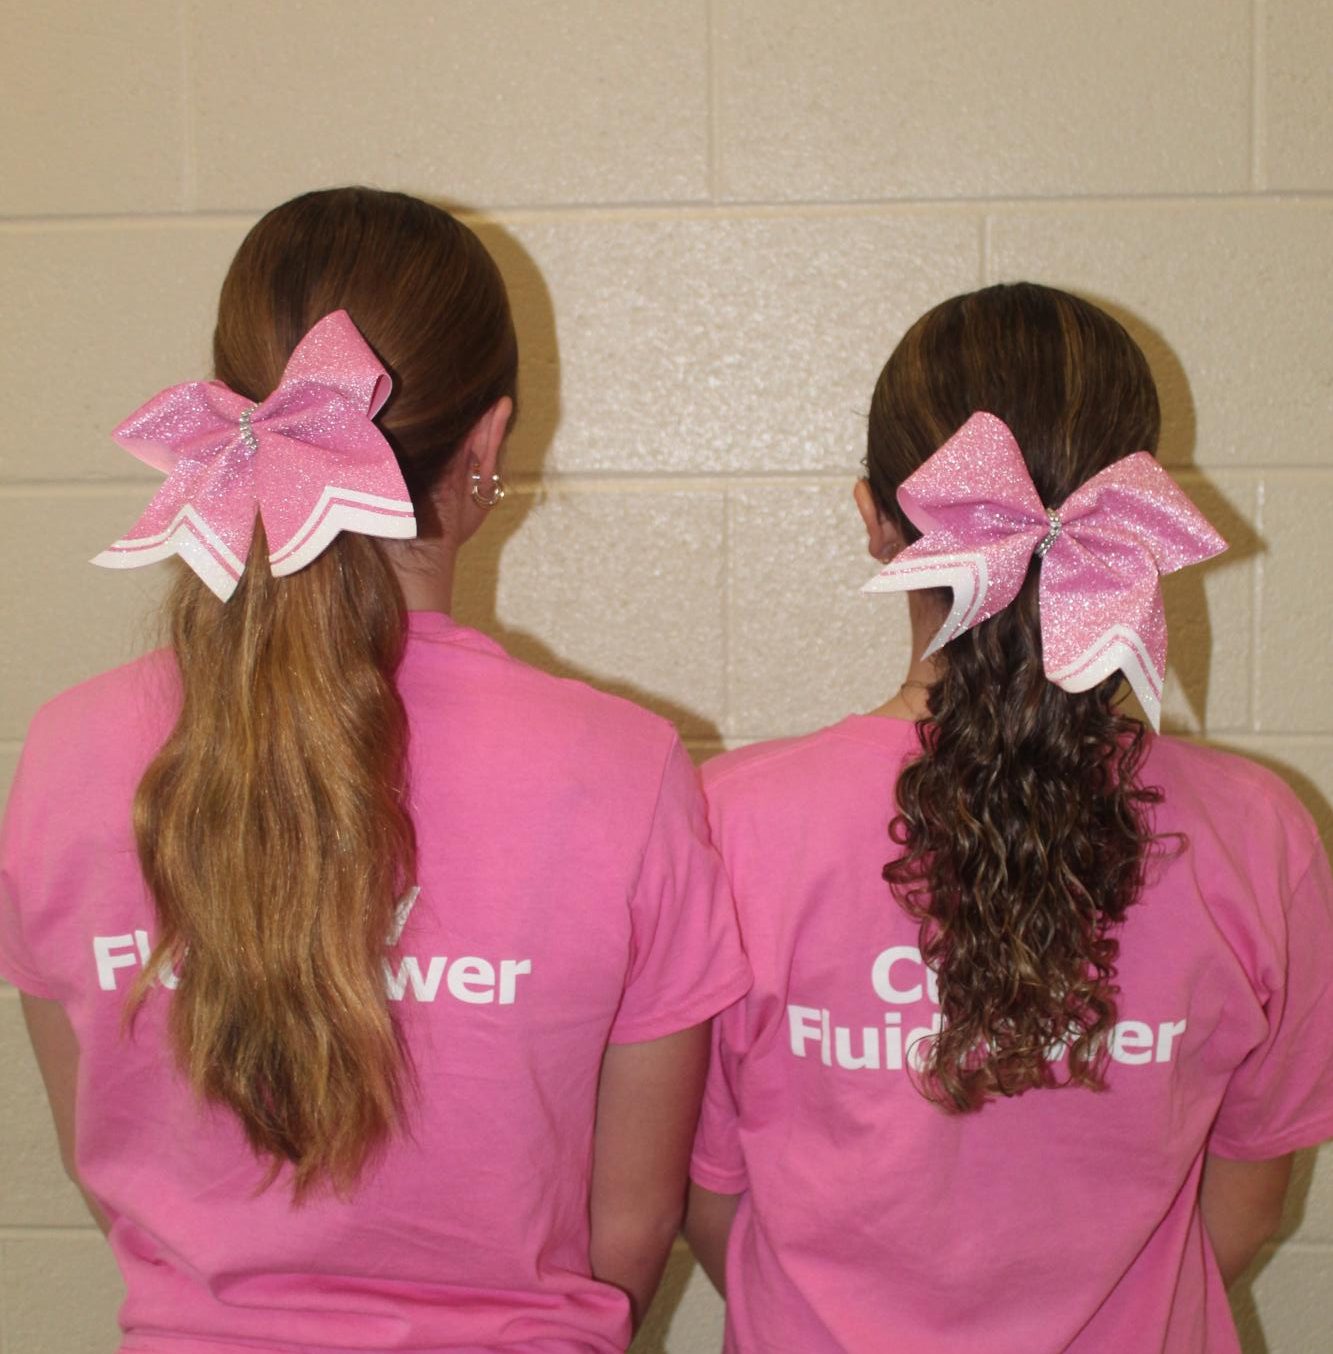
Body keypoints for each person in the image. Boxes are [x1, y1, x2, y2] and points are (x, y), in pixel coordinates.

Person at [0, 187, 750, 1354]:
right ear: (488, 442)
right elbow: (635, 1221)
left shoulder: (63, 753)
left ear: (232, 420)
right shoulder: (623, 769)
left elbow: (108, 1166)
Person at [684, 282, 1333, 1353]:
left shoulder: (729, 823)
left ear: (877, 521)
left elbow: (712, 1201)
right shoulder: (1262, 837)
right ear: (1135, 522)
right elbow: (1244, 1207)